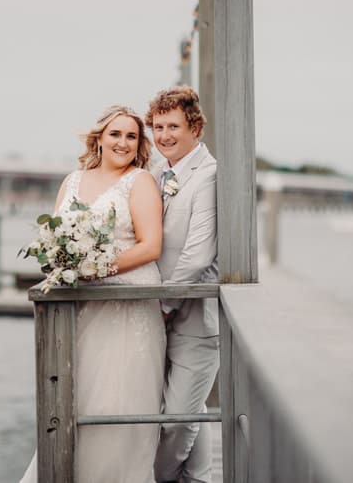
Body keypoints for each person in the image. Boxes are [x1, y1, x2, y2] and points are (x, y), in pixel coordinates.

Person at [19, 105, 166, 483]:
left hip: (127, 306)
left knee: (117, 399)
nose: (122, 142)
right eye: (115, 134)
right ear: (99, 137)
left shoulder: (140, 182)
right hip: (80, 307)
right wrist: (61, 263)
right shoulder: (72, 181)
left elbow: (151, 246)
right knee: (74, 397)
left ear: (139, 145)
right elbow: (53, 238)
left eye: (131, 136)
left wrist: (94, 270)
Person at [146, 86, 220, 483]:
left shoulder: (209, 175)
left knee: (177, 420)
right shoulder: (159, 172)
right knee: (194, 409)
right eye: (157, 126)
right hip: (160, 314)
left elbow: (197, 256)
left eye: (173, 125)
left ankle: (156, 478)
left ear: (195, 127)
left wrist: (162, 305)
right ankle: (199, 479)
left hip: (194, 319)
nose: (164, 135)